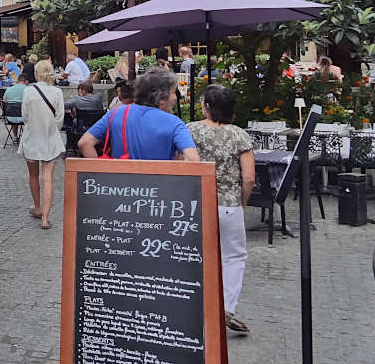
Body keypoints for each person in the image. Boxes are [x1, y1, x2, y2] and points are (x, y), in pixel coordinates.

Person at [186, 85, 255, 335]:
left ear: (207, 106)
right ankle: (226, 307)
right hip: (228, 204)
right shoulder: (239, 135)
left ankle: (192, 305)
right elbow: (248, 177)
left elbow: (181, 163)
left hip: (197, 201)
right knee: (234, 257)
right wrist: (242, 200)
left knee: (195, 255)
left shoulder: (192, 130)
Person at [78, 70, 199, 161]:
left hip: (119, 189)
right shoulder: (175, 123)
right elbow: (193, 159)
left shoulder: (116, 113)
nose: (175, 97)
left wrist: (101, 173)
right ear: (161, 97)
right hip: (160, 189)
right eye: (173, 92)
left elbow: (85, 143)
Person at [20, 60, 65, 229]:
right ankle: (45, 218)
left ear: (36, 73)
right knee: (48, 179)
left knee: (33, 176)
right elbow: (60, 118)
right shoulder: (57, 92)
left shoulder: (28, 91)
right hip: (50, 139)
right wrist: (52, 129)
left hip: (32, 138)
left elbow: (24, 116)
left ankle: (37, 207)